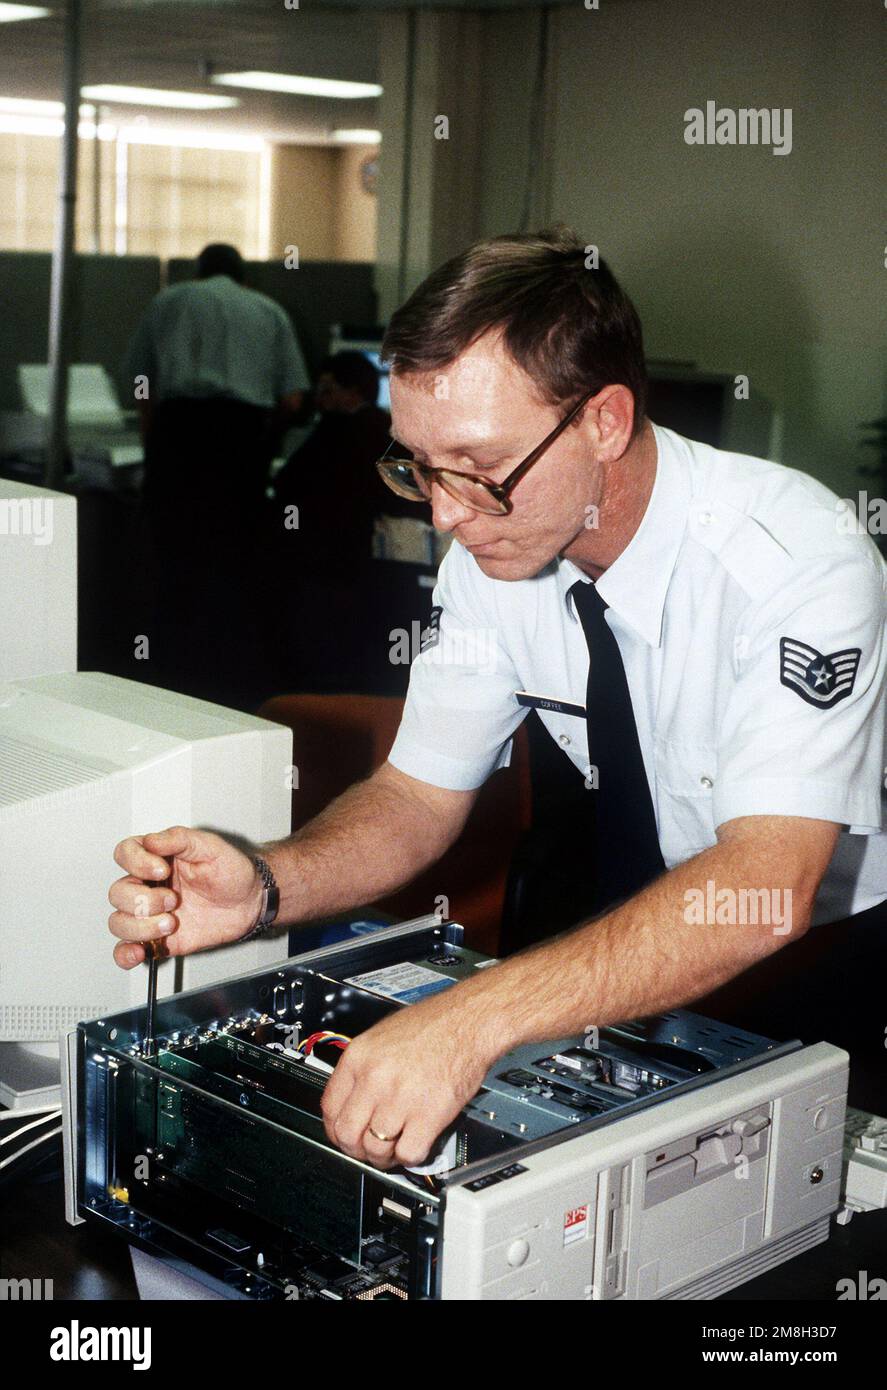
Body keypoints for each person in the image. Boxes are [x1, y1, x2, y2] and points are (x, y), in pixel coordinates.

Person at [108, 226, 887, 1171]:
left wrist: (469, 1019)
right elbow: (417, 796)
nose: (442, 515)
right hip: (646, 932)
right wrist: (268, 885)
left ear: (604, 419)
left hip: (824, 961)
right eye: (416, 466)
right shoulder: (492, 547)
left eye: (477, 468)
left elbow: (766, 888)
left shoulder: (792, 560)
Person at [126, 243, 310, 698]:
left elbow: (142, 387)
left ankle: (169, 672)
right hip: (239, 440)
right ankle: (227, 675)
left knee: (174, 557)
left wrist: (155, 449)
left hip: (179, 435)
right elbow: (292, 399)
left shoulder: (165, 302)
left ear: (198, 271)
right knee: (235, 556)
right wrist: (267, 439)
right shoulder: (268, 309)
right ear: (244, 276)